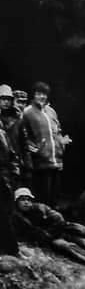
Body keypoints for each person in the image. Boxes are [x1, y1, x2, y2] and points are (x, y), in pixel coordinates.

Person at [13, 187, 85, 269]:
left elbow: (58, 218)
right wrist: (48, 235)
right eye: (22, 200)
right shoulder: (18, 217)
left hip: (62, 231)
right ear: (17, 202)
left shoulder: (41, 208)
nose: (26, 202)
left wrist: (51, 231)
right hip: (52, 239)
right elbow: (34, 233)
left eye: (28, 199)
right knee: (68, 246)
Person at [18, 82, 72, 207]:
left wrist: (62, 142)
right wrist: (35, 149)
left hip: (56, 162)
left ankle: (55, 217)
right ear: (33, 95)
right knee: (43, 198)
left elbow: (58, 131)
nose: (42, 97)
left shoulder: (51, 111)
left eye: (44, 94)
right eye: (38, 94)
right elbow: (23, 136)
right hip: (40, 163)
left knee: (55, 197)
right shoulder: (27, 112)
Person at [0, 109, 20, 257]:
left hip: (4, 179)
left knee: (6, 214)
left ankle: (11, 249)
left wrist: (14, 170)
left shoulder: (3, 134)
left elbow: (12, 155)